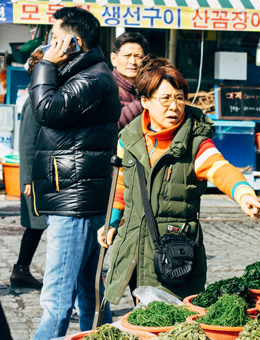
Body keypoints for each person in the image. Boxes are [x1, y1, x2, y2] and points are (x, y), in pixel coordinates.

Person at [98, 56, 260, 304]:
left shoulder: (195, 142)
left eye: (179, 98)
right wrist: (111, 222)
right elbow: (122, 187)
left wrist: (244, 194)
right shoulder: (128, 140)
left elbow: (220, 168)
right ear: (145, 101)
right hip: (133, 249)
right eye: (165, 99)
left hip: (175, 256)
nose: (174, 106)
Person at [29, 7, 119, 339]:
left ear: (74, 42)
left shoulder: (92, 78)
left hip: (75, 201)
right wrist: (49, 65)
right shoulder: (85, 73)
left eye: (55, 38)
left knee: (57, 299)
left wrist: (48, 65)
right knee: (90, 291)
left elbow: (45, 109)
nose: (50, 45)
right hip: (78, 195)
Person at [10, 47, 47, 290]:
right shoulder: (36, 98)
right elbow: (26, 142)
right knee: (36, 225)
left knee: (37, 226)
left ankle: (21, 269)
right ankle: (21, 270)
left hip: (43, 177)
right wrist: (26, 180)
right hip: (35, 178)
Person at [111, 32, 148, 129]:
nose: (132, 62)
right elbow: (110, 125)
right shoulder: (106, 87)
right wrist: (142, 102)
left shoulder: (148, 85)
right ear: (114, 59)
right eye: (127, 56)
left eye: (138, 56)